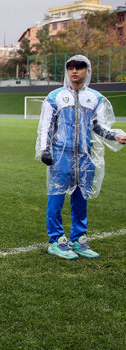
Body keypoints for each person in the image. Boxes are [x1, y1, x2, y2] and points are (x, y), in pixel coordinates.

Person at [36, 54, 126, 260]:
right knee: (56, 198)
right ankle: (56, 240)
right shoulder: (55, 96)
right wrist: (45, 150)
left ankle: (79, 239)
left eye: (79, 67)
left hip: (85, 157)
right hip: (61, 155)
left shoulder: (95, 98)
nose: (74, 71)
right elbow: (46, 127)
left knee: (81, 198)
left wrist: (116, 135)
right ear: (67, 71)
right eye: (71, 67)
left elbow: (98, 126)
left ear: (88, 70)